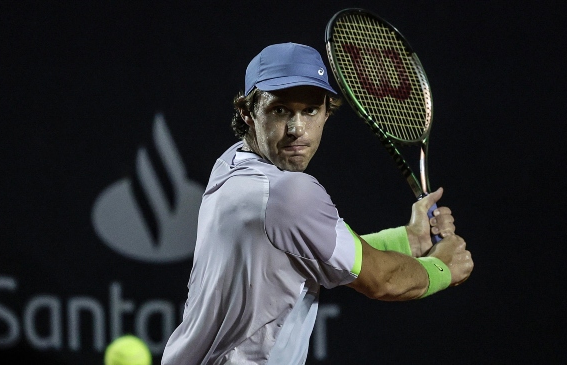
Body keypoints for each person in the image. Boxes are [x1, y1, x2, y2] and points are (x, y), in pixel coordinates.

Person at [160, 42, 473, 365]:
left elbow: (315, 251)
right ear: (247, 113)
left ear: (327, 111)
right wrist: (444, 267)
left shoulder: (230, 165)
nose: (297, 129)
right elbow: (383, 280)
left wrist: (409, 239)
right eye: (280, 110)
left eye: (309, 111)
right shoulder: (288, 194)